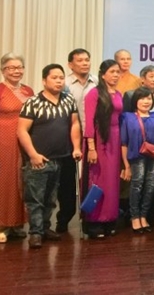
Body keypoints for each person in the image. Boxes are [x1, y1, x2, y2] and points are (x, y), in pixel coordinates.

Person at [17, 64, 82, 249]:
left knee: (51, 199)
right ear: (44, 81)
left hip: (62, 158)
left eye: (61, 78)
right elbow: (22, 131)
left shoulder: (69, 100)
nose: (59, 81)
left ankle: (45, 228)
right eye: (54, 78)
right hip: (39, 160)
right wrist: (33, 155)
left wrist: (76, 147)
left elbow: (74, 124)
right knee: (35, 199)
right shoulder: (33, 102)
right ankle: (35, 232)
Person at [0, 53, 35, 243]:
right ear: (3, 70)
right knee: (2, 182)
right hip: (2, 142)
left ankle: (15, 223)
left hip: (24, 141)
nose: (16, 71)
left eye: (19, 67)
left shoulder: (28, 91)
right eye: (11, 68)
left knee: (20, 181)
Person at [83, 59, 124, 238]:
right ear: (103, 74)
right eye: (112, 72)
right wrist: (91, 148)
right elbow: (89, 123)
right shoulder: (94, 93)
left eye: (117, 72)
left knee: (112, 182)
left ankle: (110, 219)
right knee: (98, 180)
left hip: (115, 139)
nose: (115, 75)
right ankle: (93, 221)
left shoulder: (118, 93)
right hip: (100, 139)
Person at [120, 87, 154, 233]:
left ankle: (144, 215)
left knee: (150, 186)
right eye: (142, 98)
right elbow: (123, 143)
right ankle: (135, 217)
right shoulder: (127, 117)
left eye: (149, 98)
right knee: (137, 185)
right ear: (135, 101)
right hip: (136, 157)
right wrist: (126, 166)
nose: (146, 101)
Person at [58, 48, 97, 233]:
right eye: (80, 60)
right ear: (70, 65)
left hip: (93, 137)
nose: (84, 63)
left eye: (87, 59)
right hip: (69, 136)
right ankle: (64, 218)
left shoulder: (97, 82)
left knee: (91, 176)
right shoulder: (64, 84)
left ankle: (91, 216)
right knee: (67, 179)